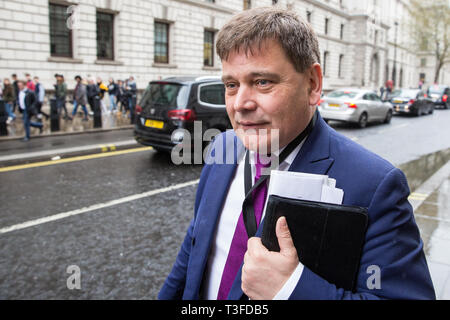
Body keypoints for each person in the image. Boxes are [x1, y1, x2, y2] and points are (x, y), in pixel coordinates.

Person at [158, 7, 435, 300]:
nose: (240, 103)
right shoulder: (220, 147)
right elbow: (196, 242)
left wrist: (290, 288)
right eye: (231, 85)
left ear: (313, 84)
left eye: (262, 82)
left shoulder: (376, 185)